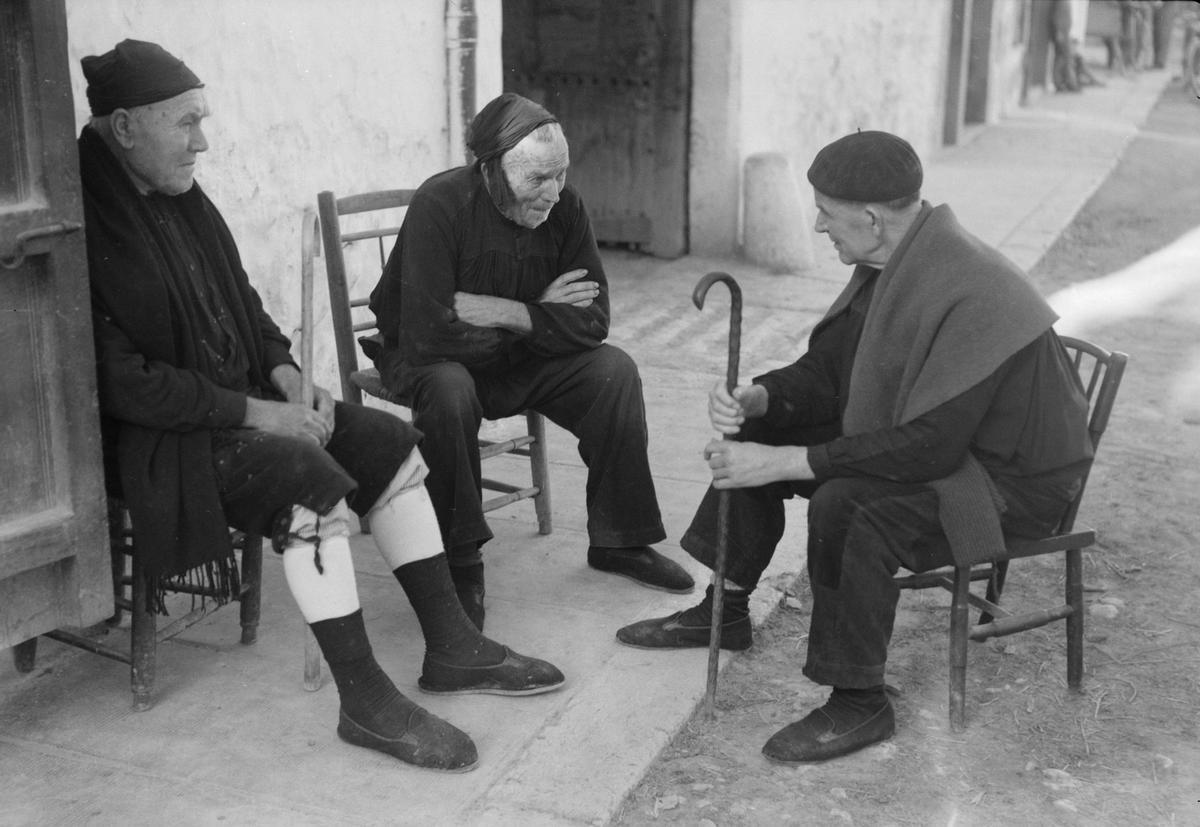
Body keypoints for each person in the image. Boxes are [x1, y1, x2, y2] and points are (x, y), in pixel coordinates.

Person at [79, 40, 565, 773]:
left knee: (386, 440)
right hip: (163, 440)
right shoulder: (88, 225)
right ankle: (365, 701)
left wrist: (285, 374)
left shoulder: (184, 198)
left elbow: (244, 306)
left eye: (200, 121)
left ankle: (453, 645)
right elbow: (126, 387)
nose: (201, 140)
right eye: (185, 123)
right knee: (307, 479)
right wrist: (260, 416)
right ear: (123, 127)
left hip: (238, 409)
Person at [615, 131, 1094, 763]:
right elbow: (831, 376)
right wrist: (760, 398)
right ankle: (723, 610)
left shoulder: (972, 287)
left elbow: (929, 451)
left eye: (827, 213)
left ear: (870, 218)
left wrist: (787, 464)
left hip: (1011, 488)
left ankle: (859, 702)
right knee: (764, 432)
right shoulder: (898, 264)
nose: (817, 226)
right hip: (953, 449)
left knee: (849, 504)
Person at [367, 92, 694, 630]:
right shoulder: (441, 203)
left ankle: (621, 541)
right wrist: (543, 319)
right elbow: (428, 337)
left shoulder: (566, 208)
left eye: (561, 174)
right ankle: (460, 563)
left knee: (612, 371)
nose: (553, 193)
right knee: (449, 390)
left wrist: (511, 312)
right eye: (537, 179)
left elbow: (593, 322)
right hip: (435, 364)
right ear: (492, 170)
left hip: (510, 357)